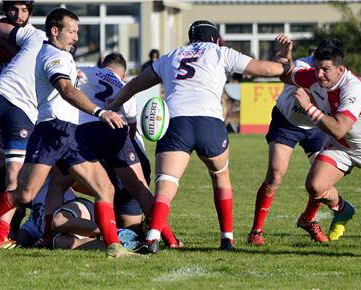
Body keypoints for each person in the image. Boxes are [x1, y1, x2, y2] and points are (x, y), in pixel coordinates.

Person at [109, 20, 292, 253]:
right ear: (215, 39)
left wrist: (113, 105)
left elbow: (135, 84)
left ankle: (153, 237)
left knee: (166, 185)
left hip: (176, 123)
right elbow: (267, 69)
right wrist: (285, 63)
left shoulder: (170, 56)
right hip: (209, 121)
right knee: (220, 175)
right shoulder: (219, 52)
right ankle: (227, 239)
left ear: (190, 39)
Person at [0, 8, 136, 258]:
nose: (77, 37)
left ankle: (114, 248)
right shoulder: (53, 56)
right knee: (23, 194)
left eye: (78, 32)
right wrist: (101, 112)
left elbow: (65, 81)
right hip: (51, 133)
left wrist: (75, 74)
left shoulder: (58, 54)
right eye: (72, 31)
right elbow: (66, 91)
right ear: (55, 31)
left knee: (106, 189)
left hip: (69, 135)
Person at [276, 35, 361, 250]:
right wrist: (285, 55)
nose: (319, 74)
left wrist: (308, 107)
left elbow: (339, 127)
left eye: (325, 69)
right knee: (315, 187)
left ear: (340, 68)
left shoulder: (354, 89)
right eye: (317, 68)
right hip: (341, 145)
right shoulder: (315, 76)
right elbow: (288, 76)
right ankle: (342, 209)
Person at [74, 53, 183, 249]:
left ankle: (47, 232)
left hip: (86, 140)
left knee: (67, 182)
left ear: (102, 65)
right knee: (138, 196)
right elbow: (131, 132)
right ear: (122, 75)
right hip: (125, 151)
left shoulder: (87, 73)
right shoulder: (124, 88)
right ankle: (168, 238)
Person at [0, 2, 44, 250]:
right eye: (14, 9)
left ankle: (10, 227)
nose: (19, 15)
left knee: (16, 175)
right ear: (6, 8)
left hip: (21, 110)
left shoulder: (31, 37)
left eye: (24, 10)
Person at [247, 54, 329, 245]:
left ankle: (308, 219)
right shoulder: (303, 66)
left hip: (316, 127)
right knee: (275, 175)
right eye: (320, 65)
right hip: (287, 123)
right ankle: (256, 231)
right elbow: (288, 70)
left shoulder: (339, 75)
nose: (323, 72)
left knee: (323, 180)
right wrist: (287, 56)